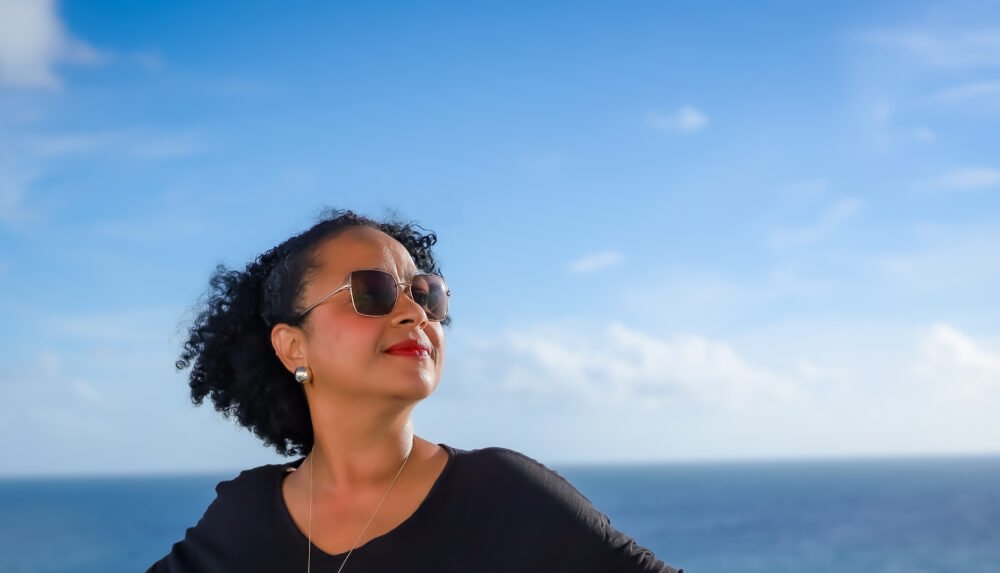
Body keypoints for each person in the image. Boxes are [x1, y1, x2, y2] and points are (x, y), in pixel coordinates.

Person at [147, 208, 684, 573]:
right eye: (371, 291)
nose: (414, 312)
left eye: (425, 295)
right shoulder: (245, 515)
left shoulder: (503, 495)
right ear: (292, 347)